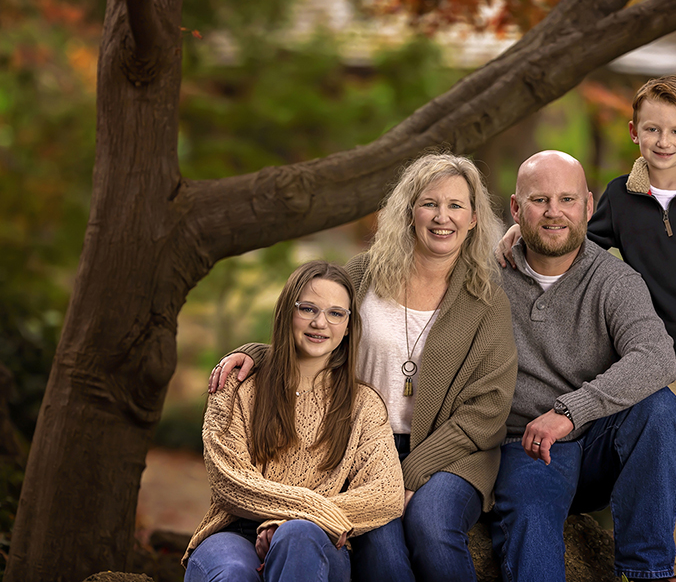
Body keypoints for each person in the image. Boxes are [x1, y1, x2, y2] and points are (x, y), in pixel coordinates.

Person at [501, 77, 676, 582]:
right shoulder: (621, 199)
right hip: (631, 376)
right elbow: (574, 237)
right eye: (652, 129)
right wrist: (518, 231)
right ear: (634, 132)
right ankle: (674, 566)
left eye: (675, 130)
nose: (663, 141)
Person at [211, 153, 519, 582]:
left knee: (431, 527)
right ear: (409, 211)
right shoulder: (364, 275)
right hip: (358, 447)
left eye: (455, 206)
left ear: (473, 219)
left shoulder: (487, 299)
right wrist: (258, 354)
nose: (442, 217)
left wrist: (410, 472)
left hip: (452, 453)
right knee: (383, 554)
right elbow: (317, 331)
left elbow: (489, 407)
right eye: (430, 203)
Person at [489, 150, 676, 581]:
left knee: (660, 409)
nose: (554, 212)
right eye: (539, 200)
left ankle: (647, 571)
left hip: (597, 446)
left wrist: (569, 412)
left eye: (567, 199)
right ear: (515, 209)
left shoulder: (615, 281)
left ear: (589, 206)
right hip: (525, 448)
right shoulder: (486, 274)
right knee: (532, 528)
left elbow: (656, 356)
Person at [183, 260, 404, 582]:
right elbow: (227, 480)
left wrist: (294, 523)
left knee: (298, 536)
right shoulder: (236, 385)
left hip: (317, 540)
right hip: (235, 531)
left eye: (335, 313)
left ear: (348, 326)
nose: (320, 323)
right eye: (308, 309)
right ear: (287, 312)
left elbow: (386, 493)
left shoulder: (364, 405)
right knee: (233, 573)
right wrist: (312, 508)